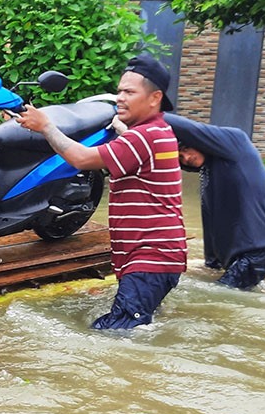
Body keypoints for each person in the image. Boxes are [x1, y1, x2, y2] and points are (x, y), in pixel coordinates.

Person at [15, 54, 187, 329]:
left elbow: (82, 159)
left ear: (155, 98)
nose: (120, 97)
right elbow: (129, 146)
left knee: (112, 334)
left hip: (149, 259)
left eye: (129, 92)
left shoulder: (143, 137)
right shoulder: (154, 131)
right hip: (155, 258)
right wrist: (120, 128)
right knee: (139, 328)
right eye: (119, 91)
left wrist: (46, 126)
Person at [162, 113, 265, 289]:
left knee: (216, 296)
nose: (186, 158)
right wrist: (211, 264)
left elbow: (187, 128)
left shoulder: (236, 144)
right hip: (238, 253)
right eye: (180, 157)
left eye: (185, 149)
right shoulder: (210, 169)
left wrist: (142, 112)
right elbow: (213, 221)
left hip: (258, 249)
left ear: (200, 142)